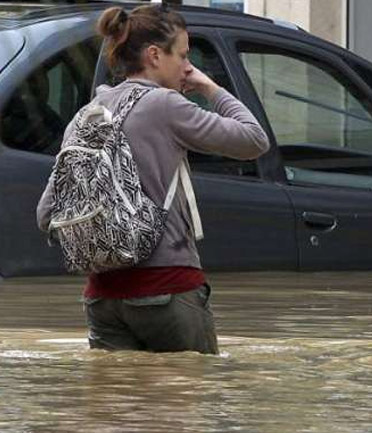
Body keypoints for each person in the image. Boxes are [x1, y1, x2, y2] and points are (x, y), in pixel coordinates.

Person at [36, 5, 269, 354]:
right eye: (184, 55)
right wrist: (209, 87)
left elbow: (45, 214)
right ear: (155, 55)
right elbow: (254, 140)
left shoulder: (86, 115)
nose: (188, 67)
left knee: (120, 406)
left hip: (103, 301)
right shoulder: (165, 105)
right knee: (186, 400)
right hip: (167, 288)